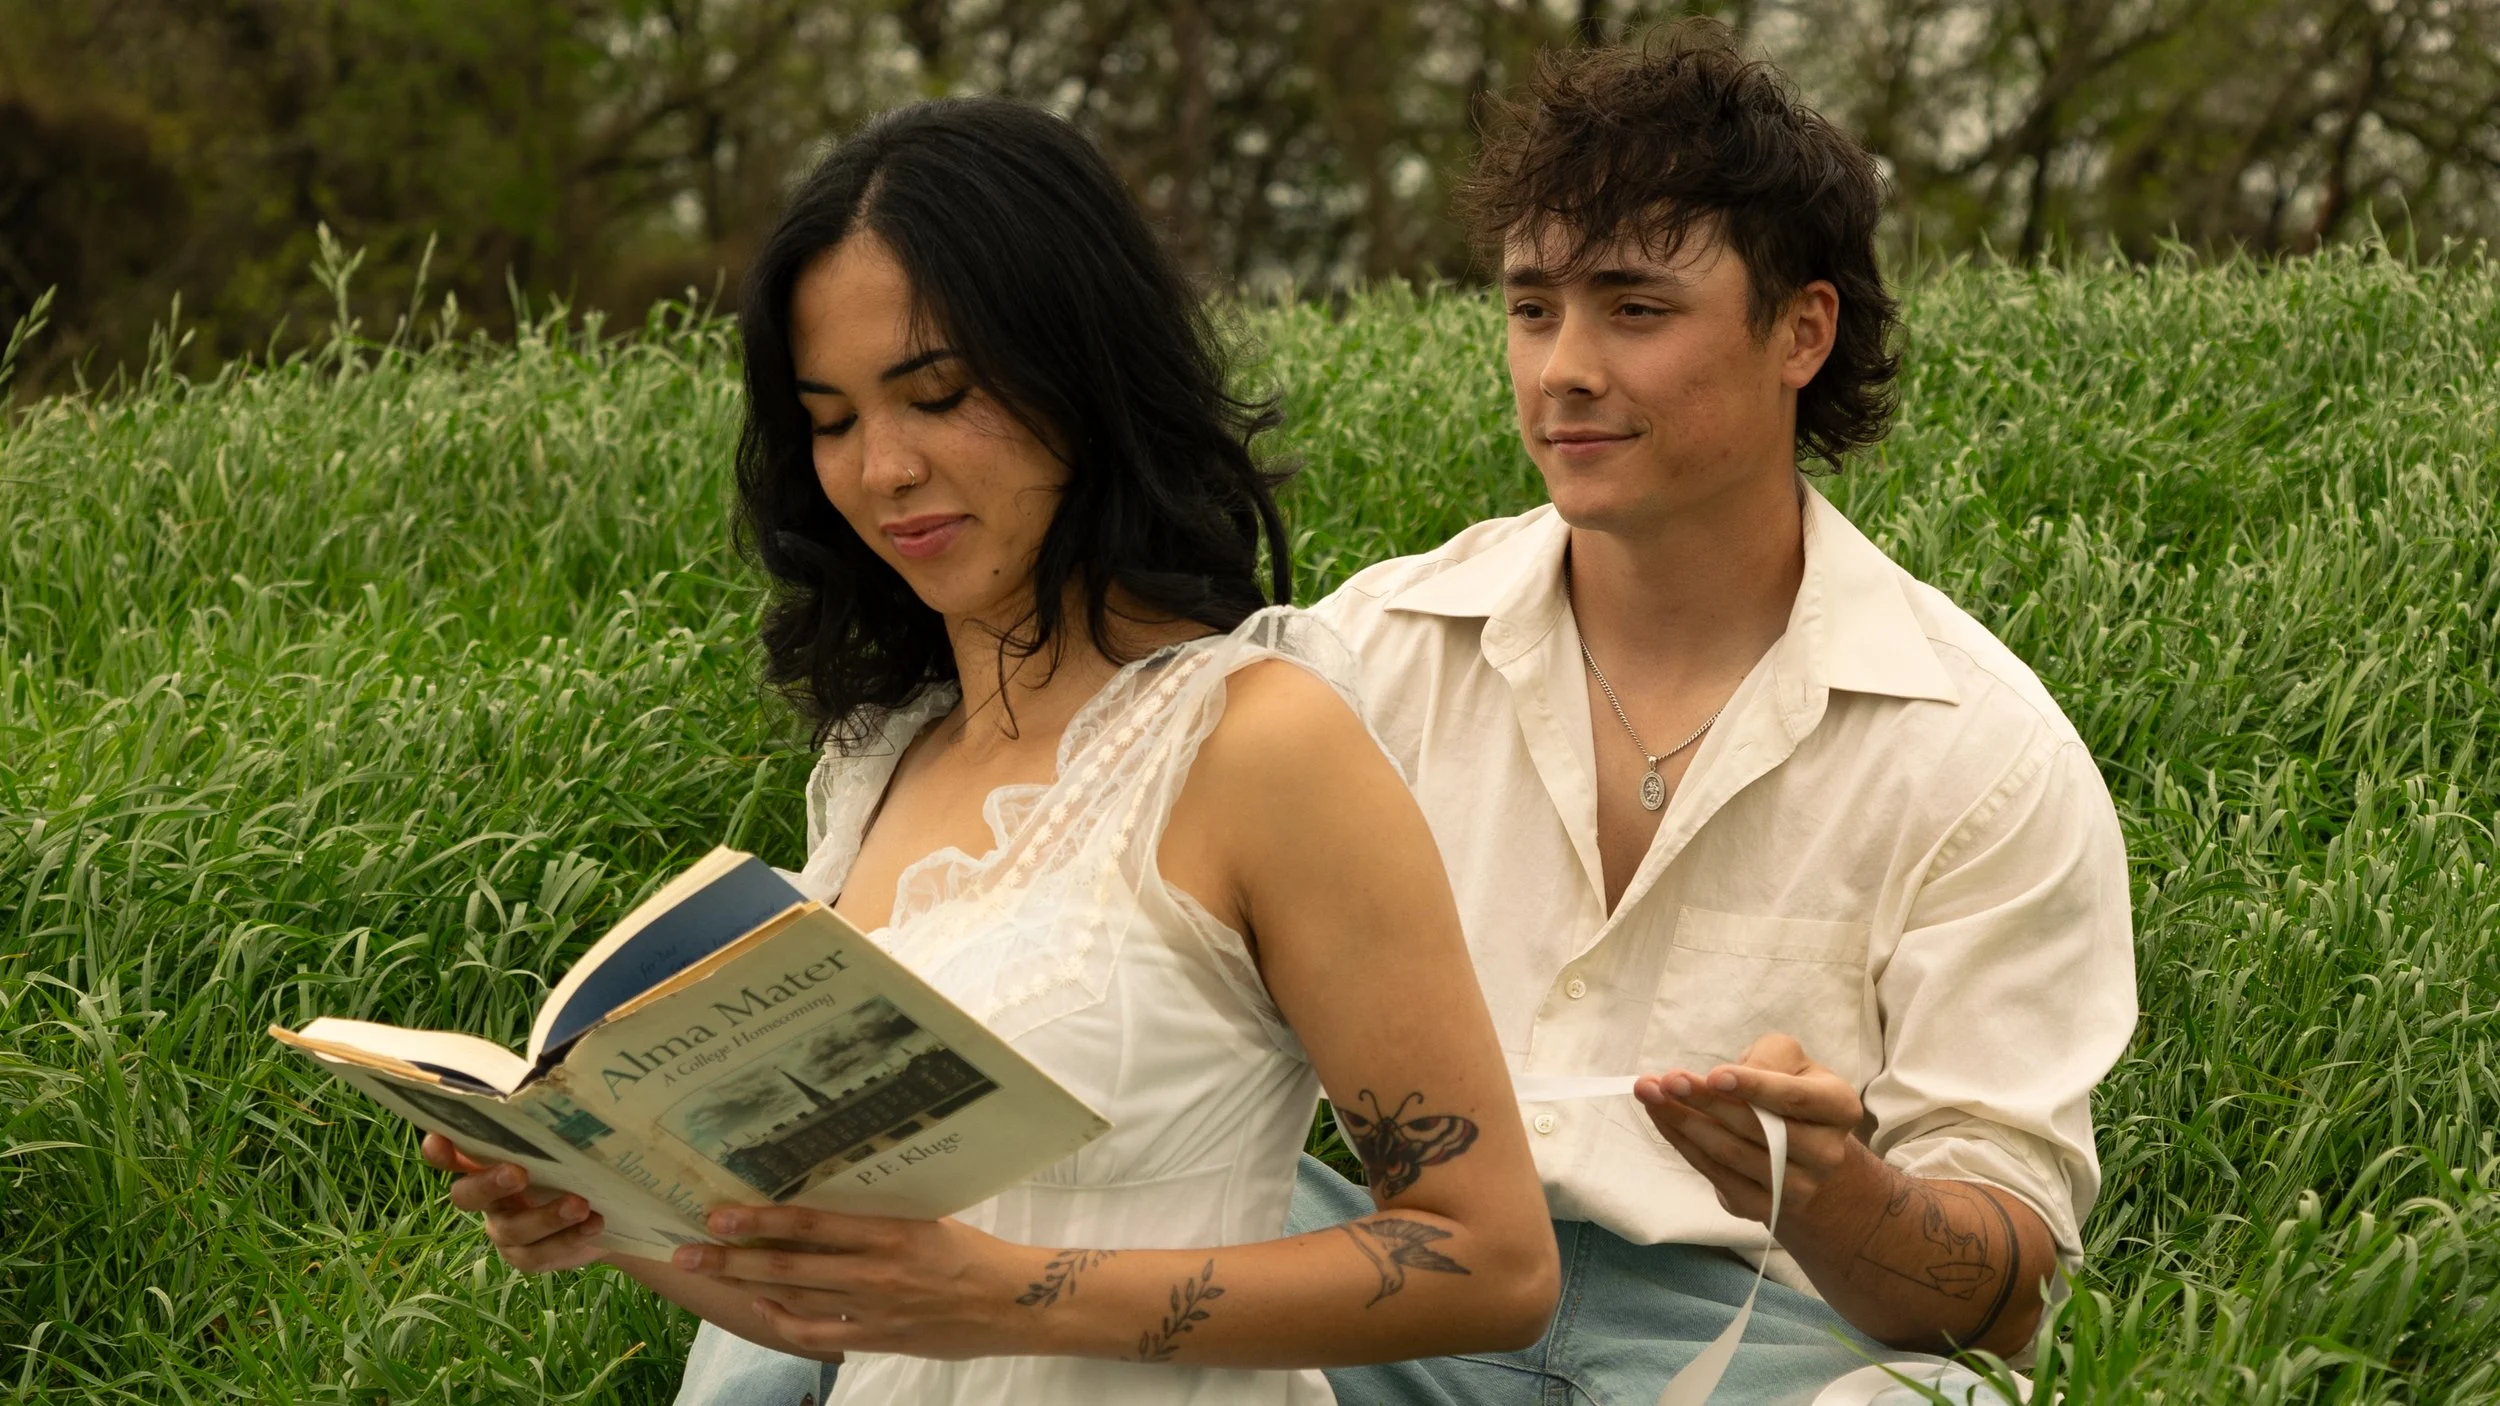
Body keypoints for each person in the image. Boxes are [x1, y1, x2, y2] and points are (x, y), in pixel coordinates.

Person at [418, 97, 1561, 1405]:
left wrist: (1004, 1290)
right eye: (832, 420)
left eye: (937, 395)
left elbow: (1493, 1260)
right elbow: (864, 1309)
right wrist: (602, 1213)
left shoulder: (1258, 739)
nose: (883, 468)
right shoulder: (879, 764)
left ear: (1079, 370)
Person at [1287, 22, 2138, 1405]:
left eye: (1633, 307)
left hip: (1755, 1341)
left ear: (1802, 329)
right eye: (1529, 306)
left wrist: (1841, 1193)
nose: (1562, 365)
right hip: (1410, 1280)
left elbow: (2007, 1285)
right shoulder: (1374, 650)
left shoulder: (1979, 748)